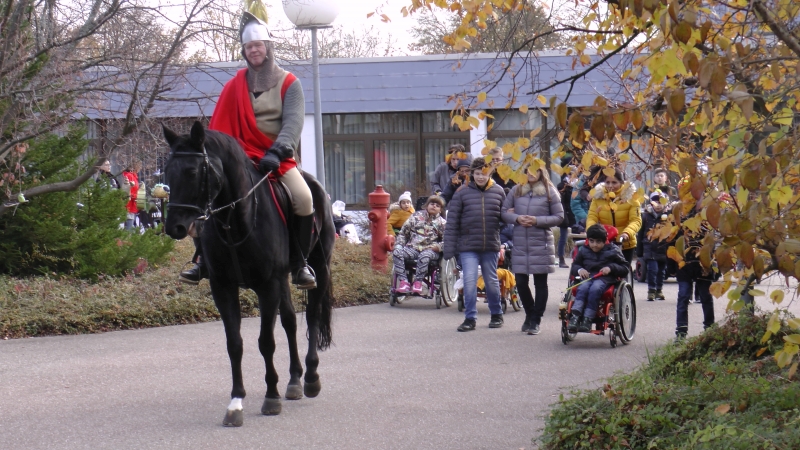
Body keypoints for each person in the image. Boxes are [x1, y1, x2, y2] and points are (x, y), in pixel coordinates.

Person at [181, 12, 316, 289]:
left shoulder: (290, 83)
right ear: (244, 51)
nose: (254, 50)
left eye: (258, 45)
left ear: (268, 47)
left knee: (304, 199)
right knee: (205, 196)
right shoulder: (234, 85)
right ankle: (202, 260)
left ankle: (299, 263)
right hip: (238, 158)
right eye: (249, 47)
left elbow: (293, 123)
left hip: (275, 158)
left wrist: (278, 151)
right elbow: (218, 129)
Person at [443, 158, 506, 332]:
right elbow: (452, 222)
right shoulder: (462, 192)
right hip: (468, 245)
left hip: (490, 245)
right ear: (472, 174)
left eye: (484, 174)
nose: (480, 177)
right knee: (469, 281)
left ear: (490, 173)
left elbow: (505, 218)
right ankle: (470, 317)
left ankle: (496, 314)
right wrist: (448, 249)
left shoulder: (499, 191)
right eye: (477, 174)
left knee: (491, 281)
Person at [501, 165, 564, 335]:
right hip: (520, 242)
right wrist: (517, 218)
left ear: (541, 172)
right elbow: (504, 212)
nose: (530, 174)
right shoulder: (516, 190)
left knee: (540, 284)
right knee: (520, 282)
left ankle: (536, 319)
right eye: (527, 171)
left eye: (534, 171)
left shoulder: (550, 191)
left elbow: (559, 217)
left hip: (540, 242)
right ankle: (529, 314)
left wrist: (536, 220)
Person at [568, 224, 629, 333]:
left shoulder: (613, 250)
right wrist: (580, 270)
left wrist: (610, 268)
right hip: (588, 277)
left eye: (598, 242)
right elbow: (575, 265)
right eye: (591, 241)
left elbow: (625, 268)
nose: (594, 245)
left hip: (605, 279)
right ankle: (576, 316)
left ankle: (588, 318)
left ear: (605, 240)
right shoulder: (584, 250)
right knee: (582, 288)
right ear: (588, 240)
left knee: (595, 289)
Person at [585, 168, 642, 268]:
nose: (610, 186)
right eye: (607, 182)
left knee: (622, 270)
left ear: (621, 182)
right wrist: (592, 231)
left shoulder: (631, 197)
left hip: (625, 242)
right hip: (604, 242)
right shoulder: (598, 197)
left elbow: (636, 220)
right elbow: (592, 217)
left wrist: (627, 233)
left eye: (614, 182)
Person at [392, 196, 447, 295]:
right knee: (397, 252)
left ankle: (418, 282)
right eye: (432, 204)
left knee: (424, 256)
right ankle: (404, 282)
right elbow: (403, 233)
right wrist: (399, 245)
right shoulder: (415, 217)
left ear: (440, 209)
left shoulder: (442, 223)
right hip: (413, 247)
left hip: (431, 249)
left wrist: (438, 247)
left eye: (437, 205)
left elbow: (447, 240)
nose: (434, 206)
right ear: (427, 205)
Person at [637, 190, 673, 301]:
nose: (658, 205)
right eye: (655, 202)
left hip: (663, 248)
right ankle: (651, 290)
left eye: (660, 202)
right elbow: (641, 234)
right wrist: (639, 251)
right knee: (653, 269)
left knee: (662, 271)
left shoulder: (668, 216)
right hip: (650, 247)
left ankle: (659, 290)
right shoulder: (646, 216)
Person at [556, 158, 577, 268]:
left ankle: (577, 258)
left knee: (579, 237)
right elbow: (561, 202)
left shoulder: (578, 185)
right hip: (565, 213)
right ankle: (561, 258)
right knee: (563, 237)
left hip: (574, 213)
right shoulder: (562, 186)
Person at [121, 162, 140, 232]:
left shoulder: (134, 176)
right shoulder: (129, 176)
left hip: (132, 204)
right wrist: (136, 197)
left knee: (130, 226)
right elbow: (127, 191)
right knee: (129, 228)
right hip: (129, 205)